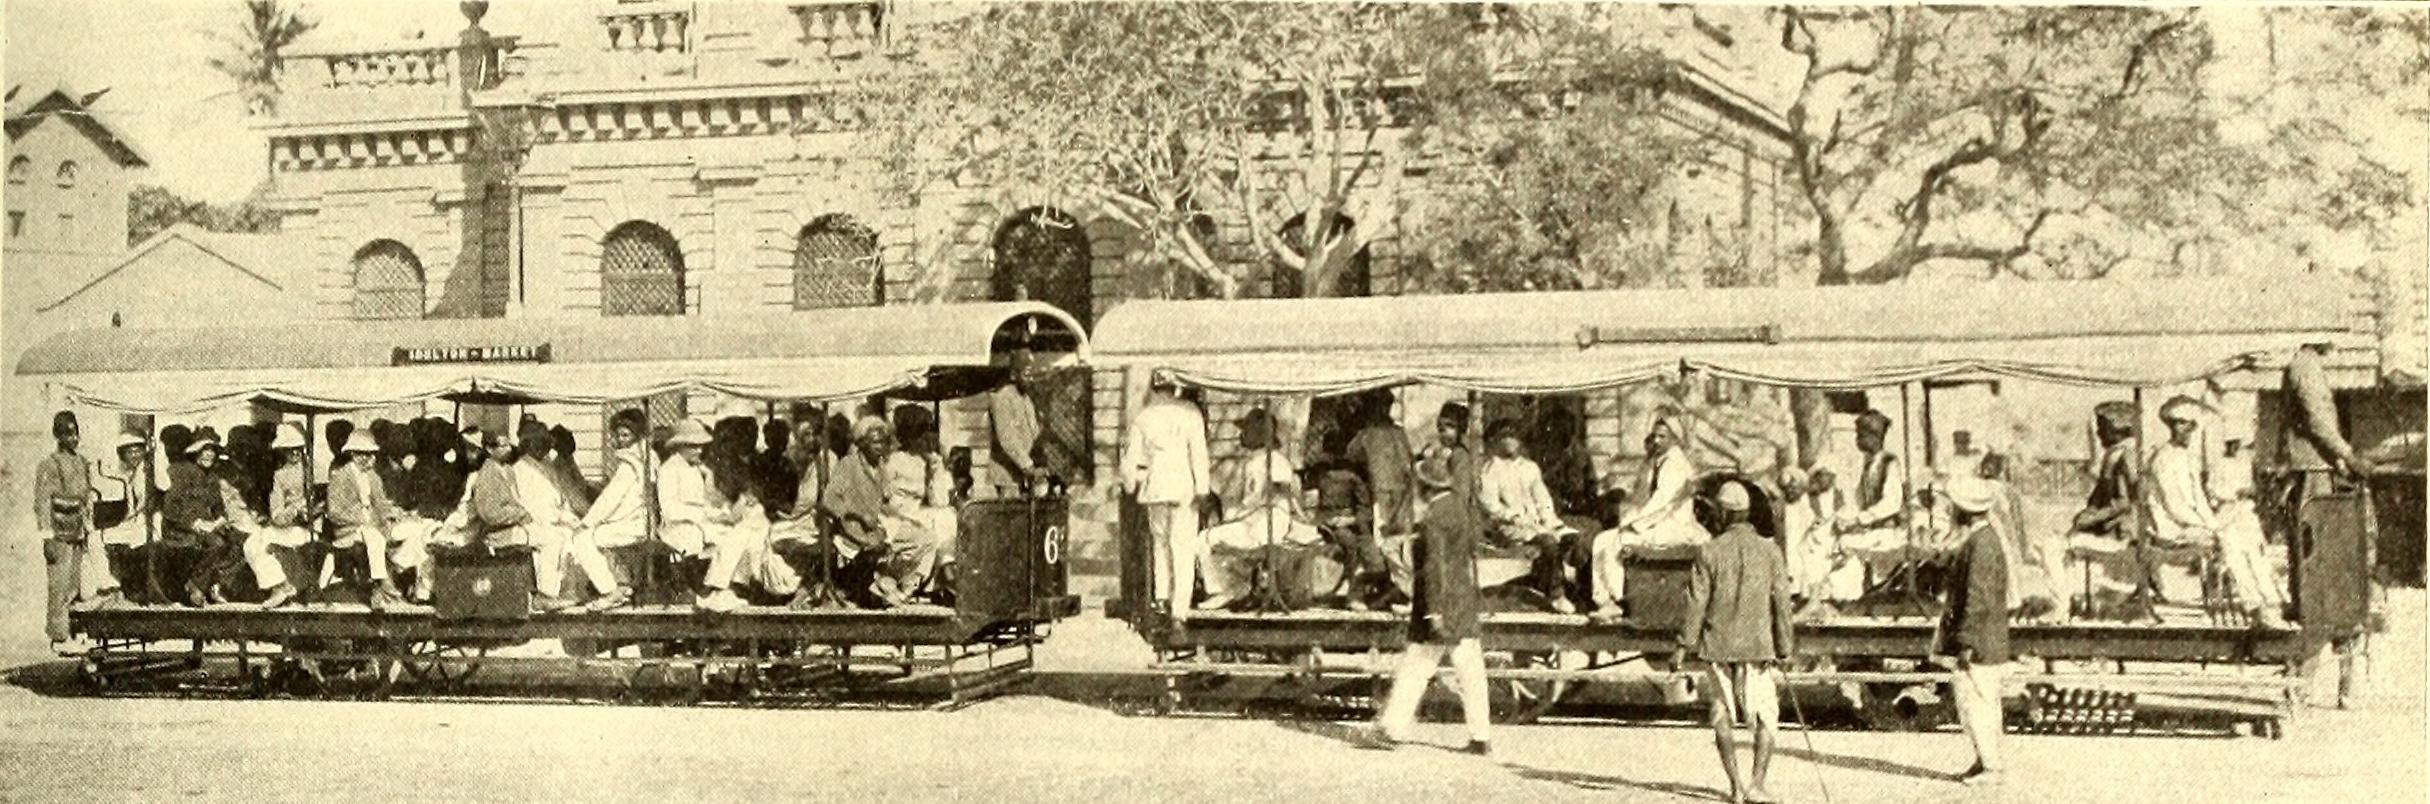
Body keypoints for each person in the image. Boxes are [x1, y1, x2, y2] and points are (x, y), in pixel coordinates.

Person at [1362, 454, 1493, 756]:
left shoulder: (1434, 517)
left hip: (1438, 603)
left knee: (1415, 667)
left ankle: (1391, 729)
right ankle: (1481, 735)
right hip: (1463, 600)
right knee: (1471, 670)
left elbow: (1434, 567)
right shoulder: (1460, 508)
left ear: (1425, 485)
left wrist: (1434, 610)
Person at [1678, 481, 1795, 804]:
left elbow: (1696, 603)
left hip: (1718, 646)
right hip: (1758, 647)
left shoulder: (1708, 551)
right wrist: (1785, 648)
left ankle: (1734, 786)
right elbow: (1782, 604)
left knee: (1721, 713)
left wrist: (1683, 644)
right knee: (1766, 716)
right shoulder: (1770, 550)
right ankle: (1757, 783)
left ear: (1725, 514)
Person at [2143, 396, 2287, 629]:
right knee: (2229, 539)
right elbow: (2175, 506)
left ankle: (2270, 601)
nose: (2188, 430)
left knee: (2248, 528)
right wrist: (2212, 527)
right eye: (2182, 424)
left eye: (2192, 425)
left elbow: (2199, 500)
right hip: (2170, 527)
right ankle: (2255, 606)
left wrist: (2213, 523)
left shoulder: (2185, 456)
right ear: (2172, 426)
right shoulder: (2164, 458)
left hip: (2192, 524)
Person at [820, 417, 945, 607]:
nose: (880, 446)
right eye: (875, 442)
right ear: (862, 443)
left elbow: (886, 502)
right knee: (913, 541)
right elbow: (829, 501)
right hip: (854, 528)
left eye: (883, 442)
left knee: (926, 539)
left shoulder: (879, 467)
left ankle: (889, 580)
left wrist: (905, 518)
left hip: (878, 525)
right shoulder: (849, 464)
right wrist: (859, 515)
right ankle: (884, 582)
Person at [1593, 418, 1710, 618]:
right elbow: (1641, 496)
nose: (1656, 440)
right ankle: (1603, 599)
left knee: (1620, 540)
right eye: (1654, 436)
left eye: (1662, 436)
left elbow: (1662, 503)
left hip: (1673, 525)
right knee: (1601, 540)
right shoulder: (1654, 461)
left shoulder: (1676, 464)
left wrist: (1634, 524)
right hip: (1654, 522)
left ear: (1674, 439)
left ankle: (1619, 600)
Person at [1939, 475, 2012, 786]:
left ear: (1964, 510)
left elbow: (1977, 598)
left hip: (1981, 641)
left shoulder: (1980, 544)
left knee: (1978, 703)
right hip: (1985, 637)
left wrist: (1966, 641)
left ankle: (1992, 768)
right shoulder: (1982, 538)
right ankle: (1983, 761)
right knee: (1975, 703)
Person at [511, 421, 626, 611]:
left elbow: (564, 498)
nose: (545, 447)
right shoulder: (522, 469)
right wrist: (564, 518)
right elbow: (535, 509)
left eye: (546, 442)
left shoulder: (546, 465)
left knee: (582, 535)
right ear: (528, 444)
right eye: (539, 442)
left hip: (556, 519)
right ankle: (548, 595)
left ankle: (595, 588)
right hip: (535, 523)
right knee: (565, 539)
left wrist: (570, 516)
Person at [1124, 372, 1211, 620]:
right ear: (1176, 387)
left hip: (1155, 489)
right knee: (1181, 547)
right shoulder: (1190, 412)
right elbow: (1199, 454)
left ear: (1153, 387)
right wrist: (1203, 489)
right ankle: (1179, 607)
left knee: (1160, 546)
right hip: (1184, 488)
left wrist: (1131, 485)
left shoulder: (1143, 417)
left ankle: (1161, 597)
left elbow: (1132, 461)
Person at [1477, 418, 1583, 614]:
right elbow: (1490, 504)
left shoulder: (1530, 467)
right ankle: (1556, 594)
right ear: (1497, 441)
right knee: (1549, 543)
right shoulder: (1491, 469)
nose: (1510, 442)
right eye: (1505, 437)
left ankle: (1581, 592)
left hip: (1535, 523)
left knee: (1573, 539)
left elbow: (1542, 498)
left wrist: (1549, 519)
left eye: (1514, 437)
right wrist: (1513, 516)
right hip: (1508, 526)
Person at [34, 412, 118, 650]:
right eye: (67, 433)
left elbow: (86, 495)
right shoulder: (49, 465)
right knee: (58, 584)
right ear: (57, 435)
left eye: (75, 432)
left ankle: (72, 632)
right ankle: (58, 636)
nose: (73, 438)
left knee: (74, 584)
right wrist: (46, 535)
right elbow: (42, 502)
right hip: (59, 533)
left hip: (78, 529)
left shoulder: (81, 462)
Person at [328, 431, 418, 610]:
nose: (365, 458)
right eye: (360, 453)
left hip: (375, 526)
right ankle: (382, 581)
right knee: (373, 536)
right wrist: (363, 519)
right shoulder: (339, 476)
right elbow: (334, 512)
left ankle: (399, 569)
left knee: (414, 529)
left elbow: (381, 503)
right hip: (349, 530)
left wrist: (393, 514)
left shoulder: (373, 476)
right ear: (352, 453)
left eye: (369, 454)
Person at [239, 424, 318, 609]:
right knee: (251, 543)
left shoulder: (315, 471)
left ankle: (280, 586)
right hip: (288, 526)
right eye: (289, 450)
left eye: (298, 449)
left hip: (308, 529)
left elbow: (323, 501)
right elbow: (277, 513)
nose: (295, 454)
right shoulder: (280, 475)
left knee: (258, 542)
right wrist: (292, 512)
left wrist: (306, 510)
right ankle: (279, 584)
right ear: (282, 451)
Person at [885, 408, 960, 596]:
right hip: (895, 516)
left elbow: (939, 500)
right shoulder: (893, 461)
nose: (926, 439)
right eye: (921, 434)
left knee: (946, 515)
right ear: (910, 436)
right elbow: (884, 499)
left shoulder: (925, 461)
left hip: (917, 514)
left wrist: (935, 471)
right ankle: (948, 574)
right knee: (938, 521)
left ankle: (947, 569)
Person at [162, 432, 239, 608]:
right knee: (217, 544)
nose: (209, 454)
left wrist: (220, 519)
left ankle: (214, 584)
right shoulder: (181, 472)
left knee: (239, 540)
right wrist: (193, 523)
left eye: (212, 450)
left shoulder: (211, 477)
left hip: (207, 525)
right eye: (205, 450)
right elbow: (170, 509)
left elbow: (218, 505)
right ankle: (196, 586)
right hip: (180, 527)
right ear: (195, 452)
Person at [1835, 409, 1911, 583]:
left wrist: (1861, 519)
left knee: (1848, 547)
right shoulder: (1868, 463)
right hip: (1873, 529)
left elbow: (1892, 502)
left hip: (1889, 532)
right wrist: (1845, 517)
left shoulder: (1889, 463)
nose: (1857, 440)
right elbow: (1859, 499)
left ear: (1874, 437)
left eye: (1861, 436)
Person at [1342, 389, 1417, 537]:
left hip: (1383, 491)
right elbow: (1410, 459)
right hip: (1401, 488)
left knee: (1385, 533)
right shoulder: (1398, 432)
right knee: (1400, 534)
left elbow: (1349, 456)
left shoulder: (1367, 434)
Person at [91, 431, 153, 602]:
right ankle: (108, 583)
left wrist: (128, 518)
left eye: (138, 450)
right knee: (96, 538)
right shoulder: (126, 474)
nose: (134, 455)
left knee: (132, 542)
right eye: (129, 451)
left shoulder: (146, 472)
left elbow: (143, 504)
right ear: (122, 454)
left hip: (143, 522)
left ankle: (126, 586)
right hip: (130, 521)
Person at [2072, 400, 2142, 542]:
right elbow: (2102, 493)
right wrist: (2092, 509)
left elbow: (2126, 501)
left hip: (2124, 525)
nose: (2098, 432)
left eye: (2102, 427)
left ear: (2116, 428)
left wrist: (2096, 516)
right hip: (2110, 516)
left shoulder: (2127, 455)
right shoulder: (2113, 454)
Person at [989, 349, 1047, 498]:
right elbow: (1007, 439)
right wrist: (1028, 467)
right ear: (1014, 375)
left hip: (1026, 475)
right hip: (1008, 478)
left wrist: (1039, 464)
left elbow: (1034, 433)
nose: (1031, 379)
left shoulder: (1026, 399)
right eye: (1027, 375)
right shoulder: (1002, 398)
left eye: (1032, 375)